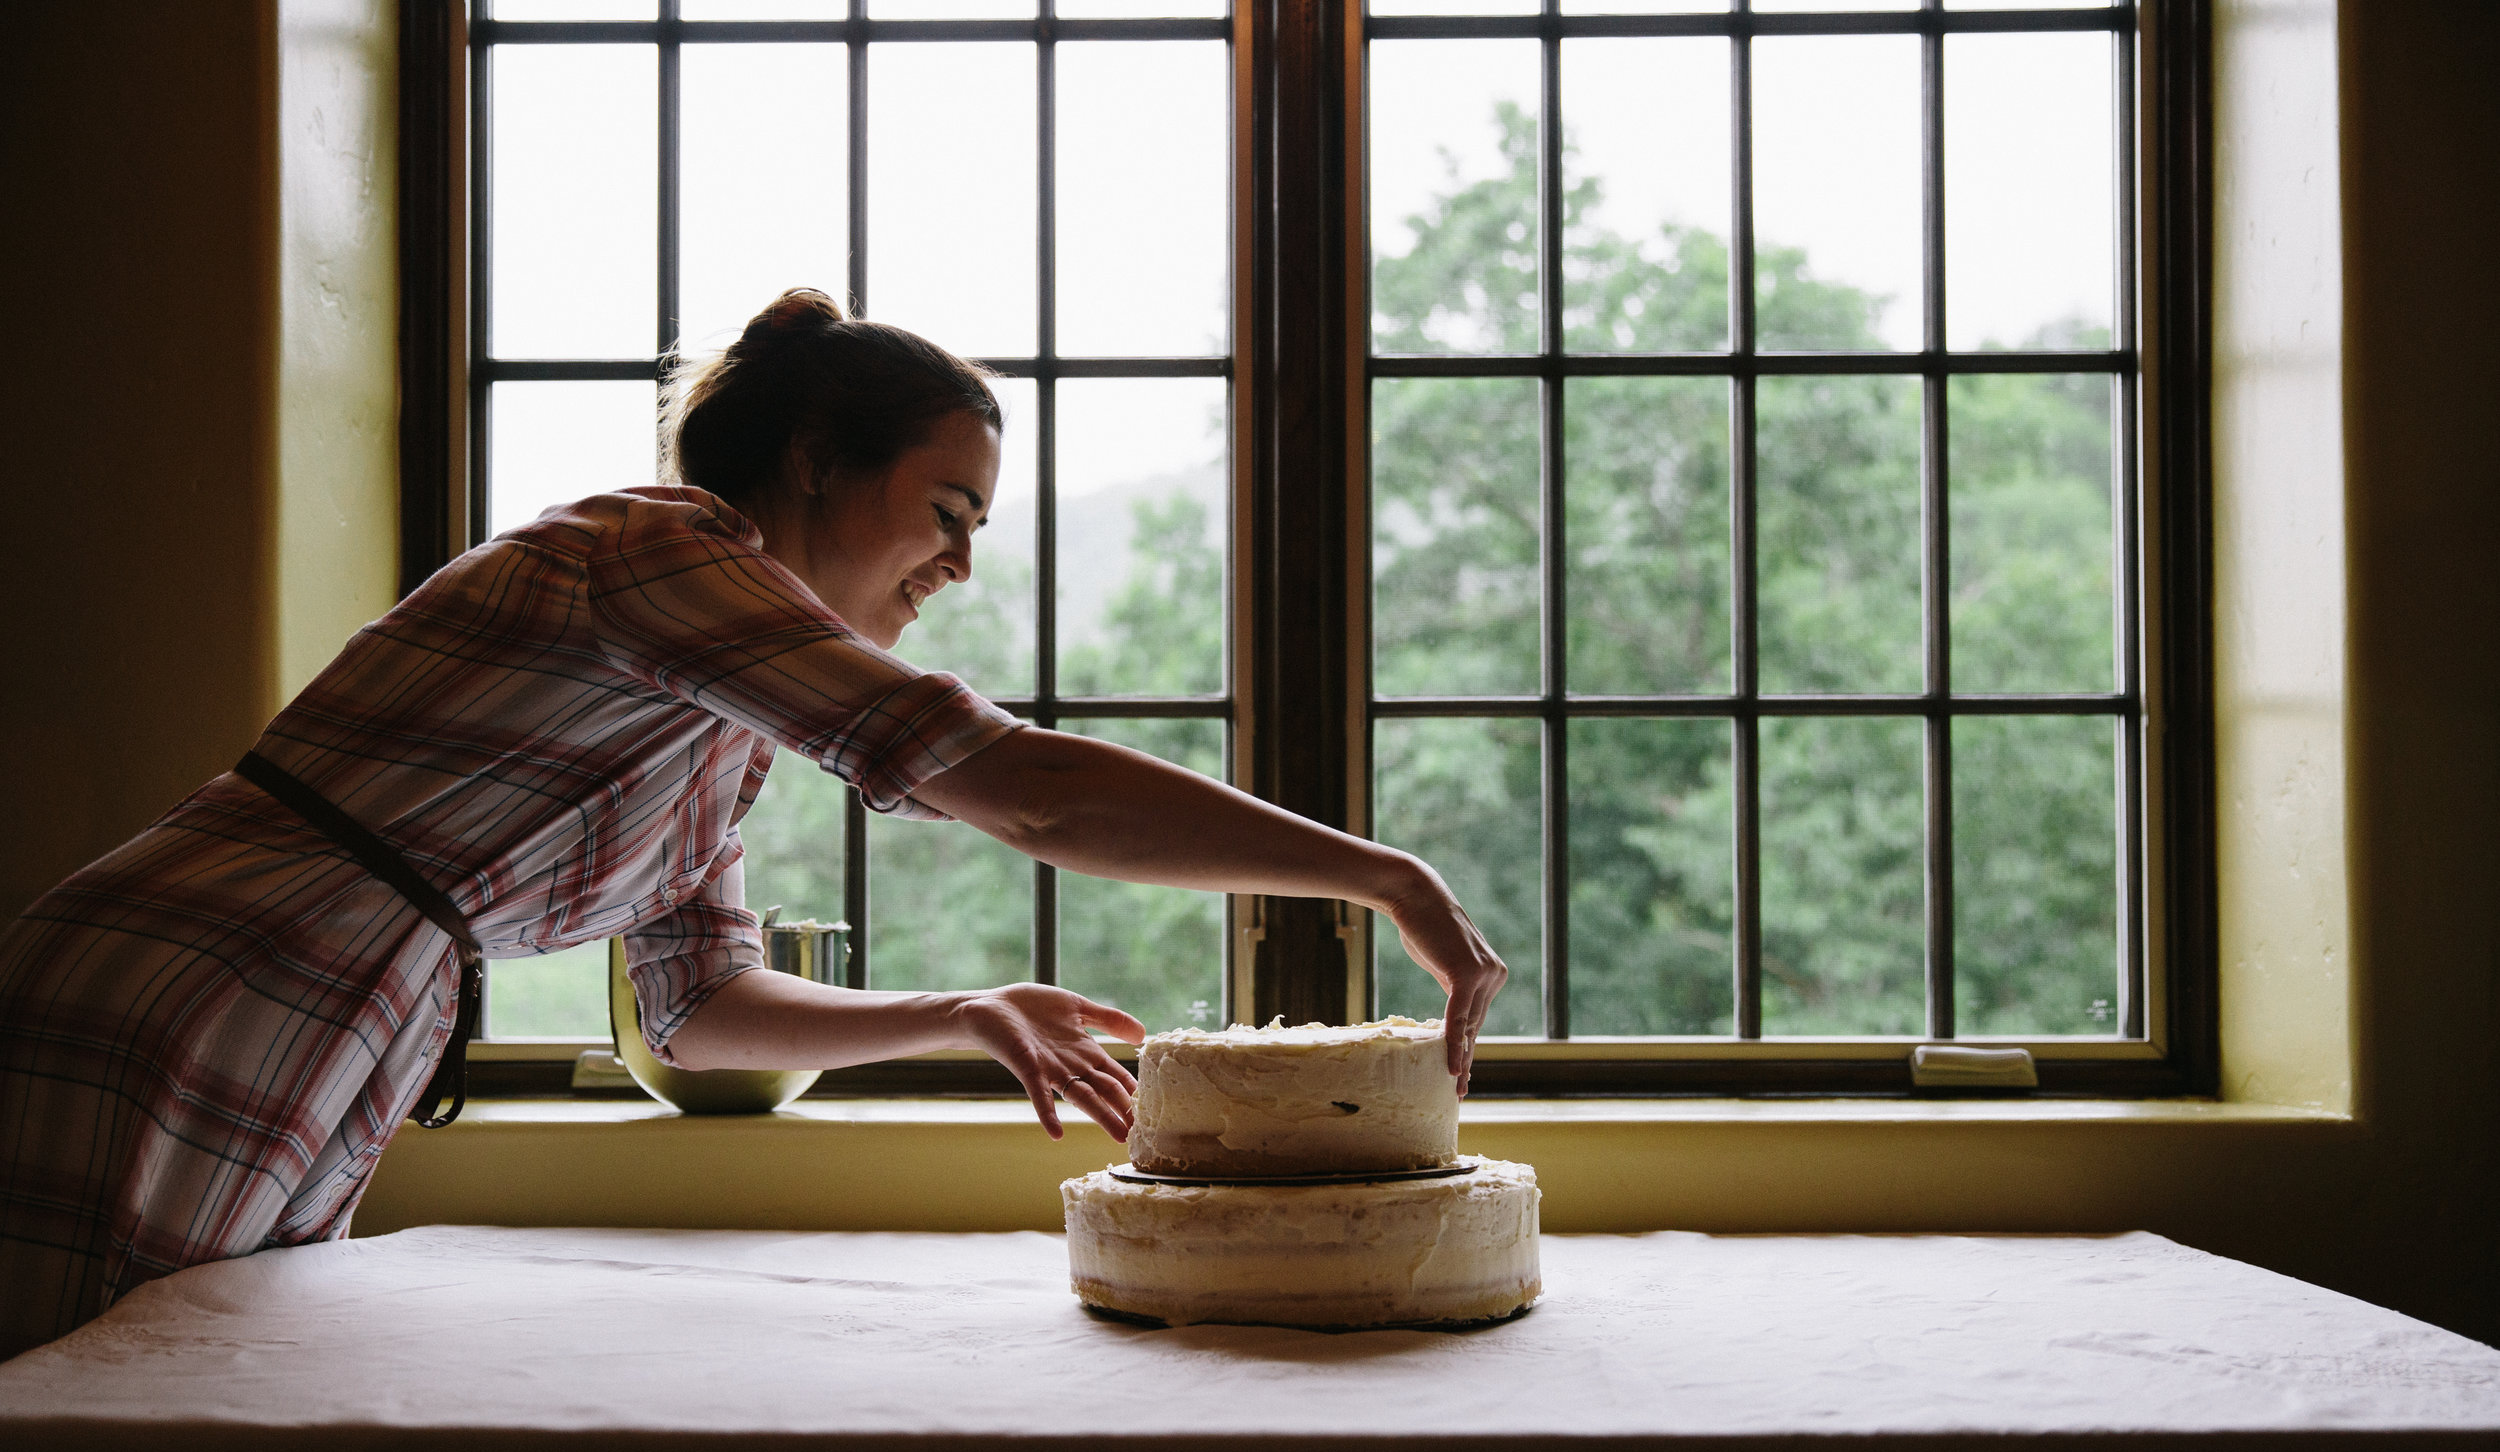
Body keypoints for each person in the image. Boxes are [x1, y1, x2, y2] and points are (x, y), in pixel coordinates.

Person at [0, 289, 1506, 1360]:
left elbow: (701, 1012)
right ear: (812, 461)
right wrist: (1373, 873)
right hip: (206, 981)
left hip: (332, 1022)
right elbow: (1020, 783)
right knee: (65, 1421)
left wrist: (963, 1011)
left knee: (131, 1411)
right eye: (949, 510)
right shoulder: (656, 549)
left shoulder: (724, 720)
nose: (958, 566)